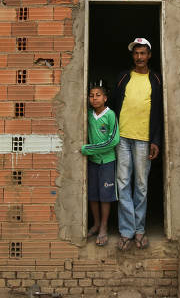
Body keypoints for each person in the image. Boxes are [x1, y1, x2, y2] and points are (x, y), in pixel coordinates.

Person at [112, 37, 163, 251]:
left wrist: (156, 140)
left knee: (141, 185)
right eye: (136, 53)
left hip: (144, 139)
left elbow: (159, 113)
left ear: (149, 55)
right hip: (122, 137)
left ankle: (139, 230)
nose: (139, 57)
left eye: (143, 53)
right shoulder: (123, 77)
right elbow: (114, 106)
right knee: (122, 183)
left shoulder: (156, 80)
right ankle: (126, 231)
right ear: (132, 56)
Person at [80, 82, 119, 246]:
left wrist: (88, 149)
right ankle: (95, 224)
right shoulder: (88, 115)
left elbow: (113, 141)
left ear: (105, 98)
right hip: (93, 163)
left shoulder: (110, 115)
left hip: (107, 162)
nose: (94, 98)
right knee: (93, 195)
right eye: (91, 95)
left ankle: (104, 227)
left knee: (106, 196)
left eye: (98, 95)